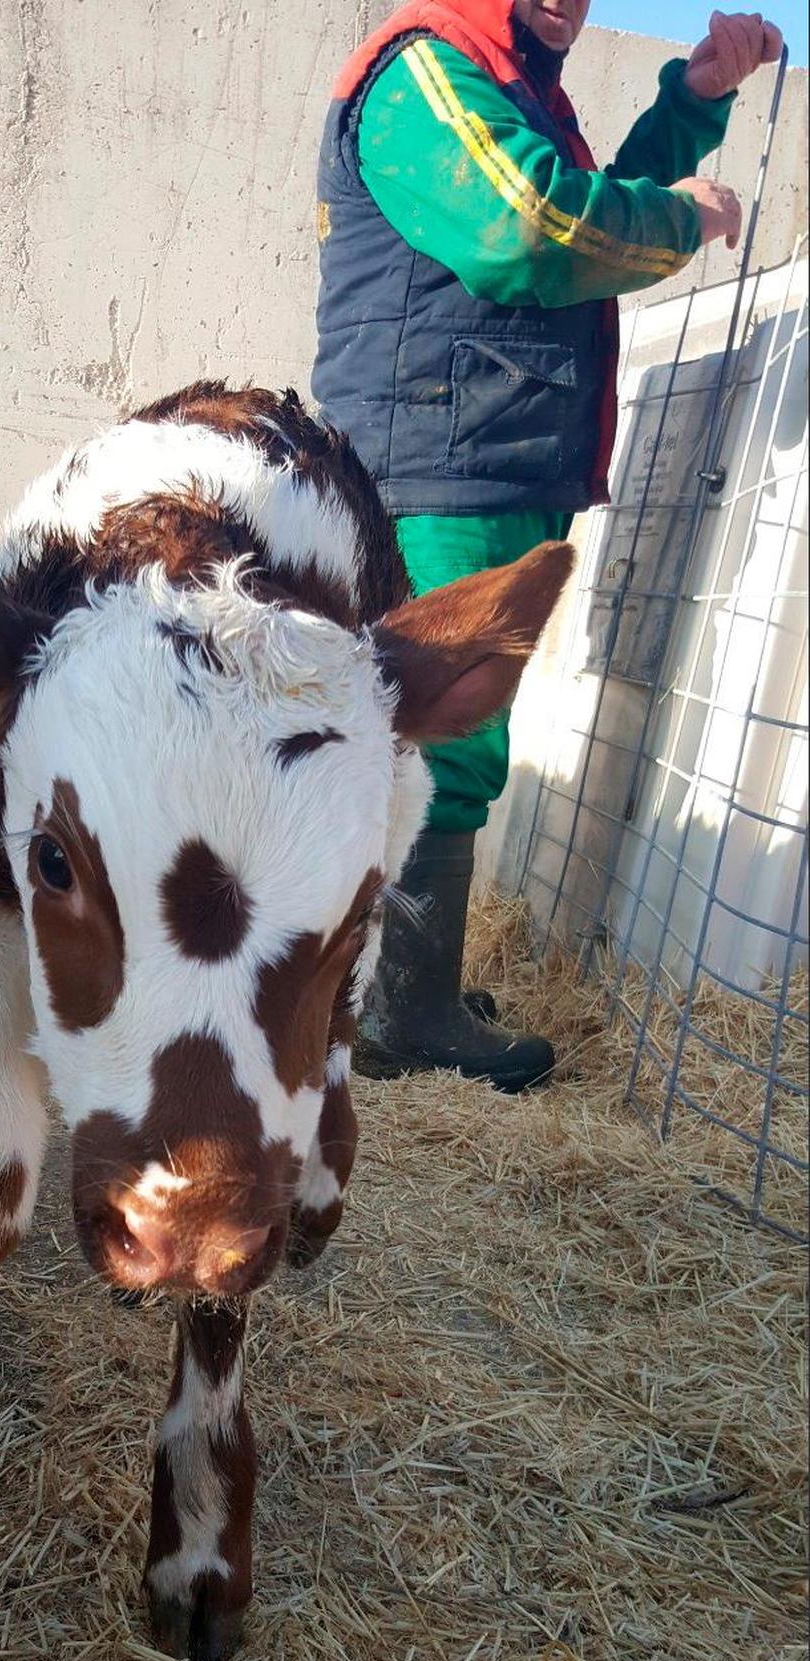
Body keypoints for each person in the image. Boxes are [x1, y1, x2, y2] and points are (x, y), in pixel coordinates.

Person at [313, 1, 783, 1090]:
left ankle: (400, 987)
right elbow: (532, 224)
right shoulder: (425, 69)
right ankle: (403, 1012)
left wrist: (693, 98)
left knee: (438, 736)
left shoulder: (508, 80)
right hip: (438, 461)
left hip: (481, 449)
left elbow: (574, 206)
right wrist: (677, 217)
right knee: (440, 739)